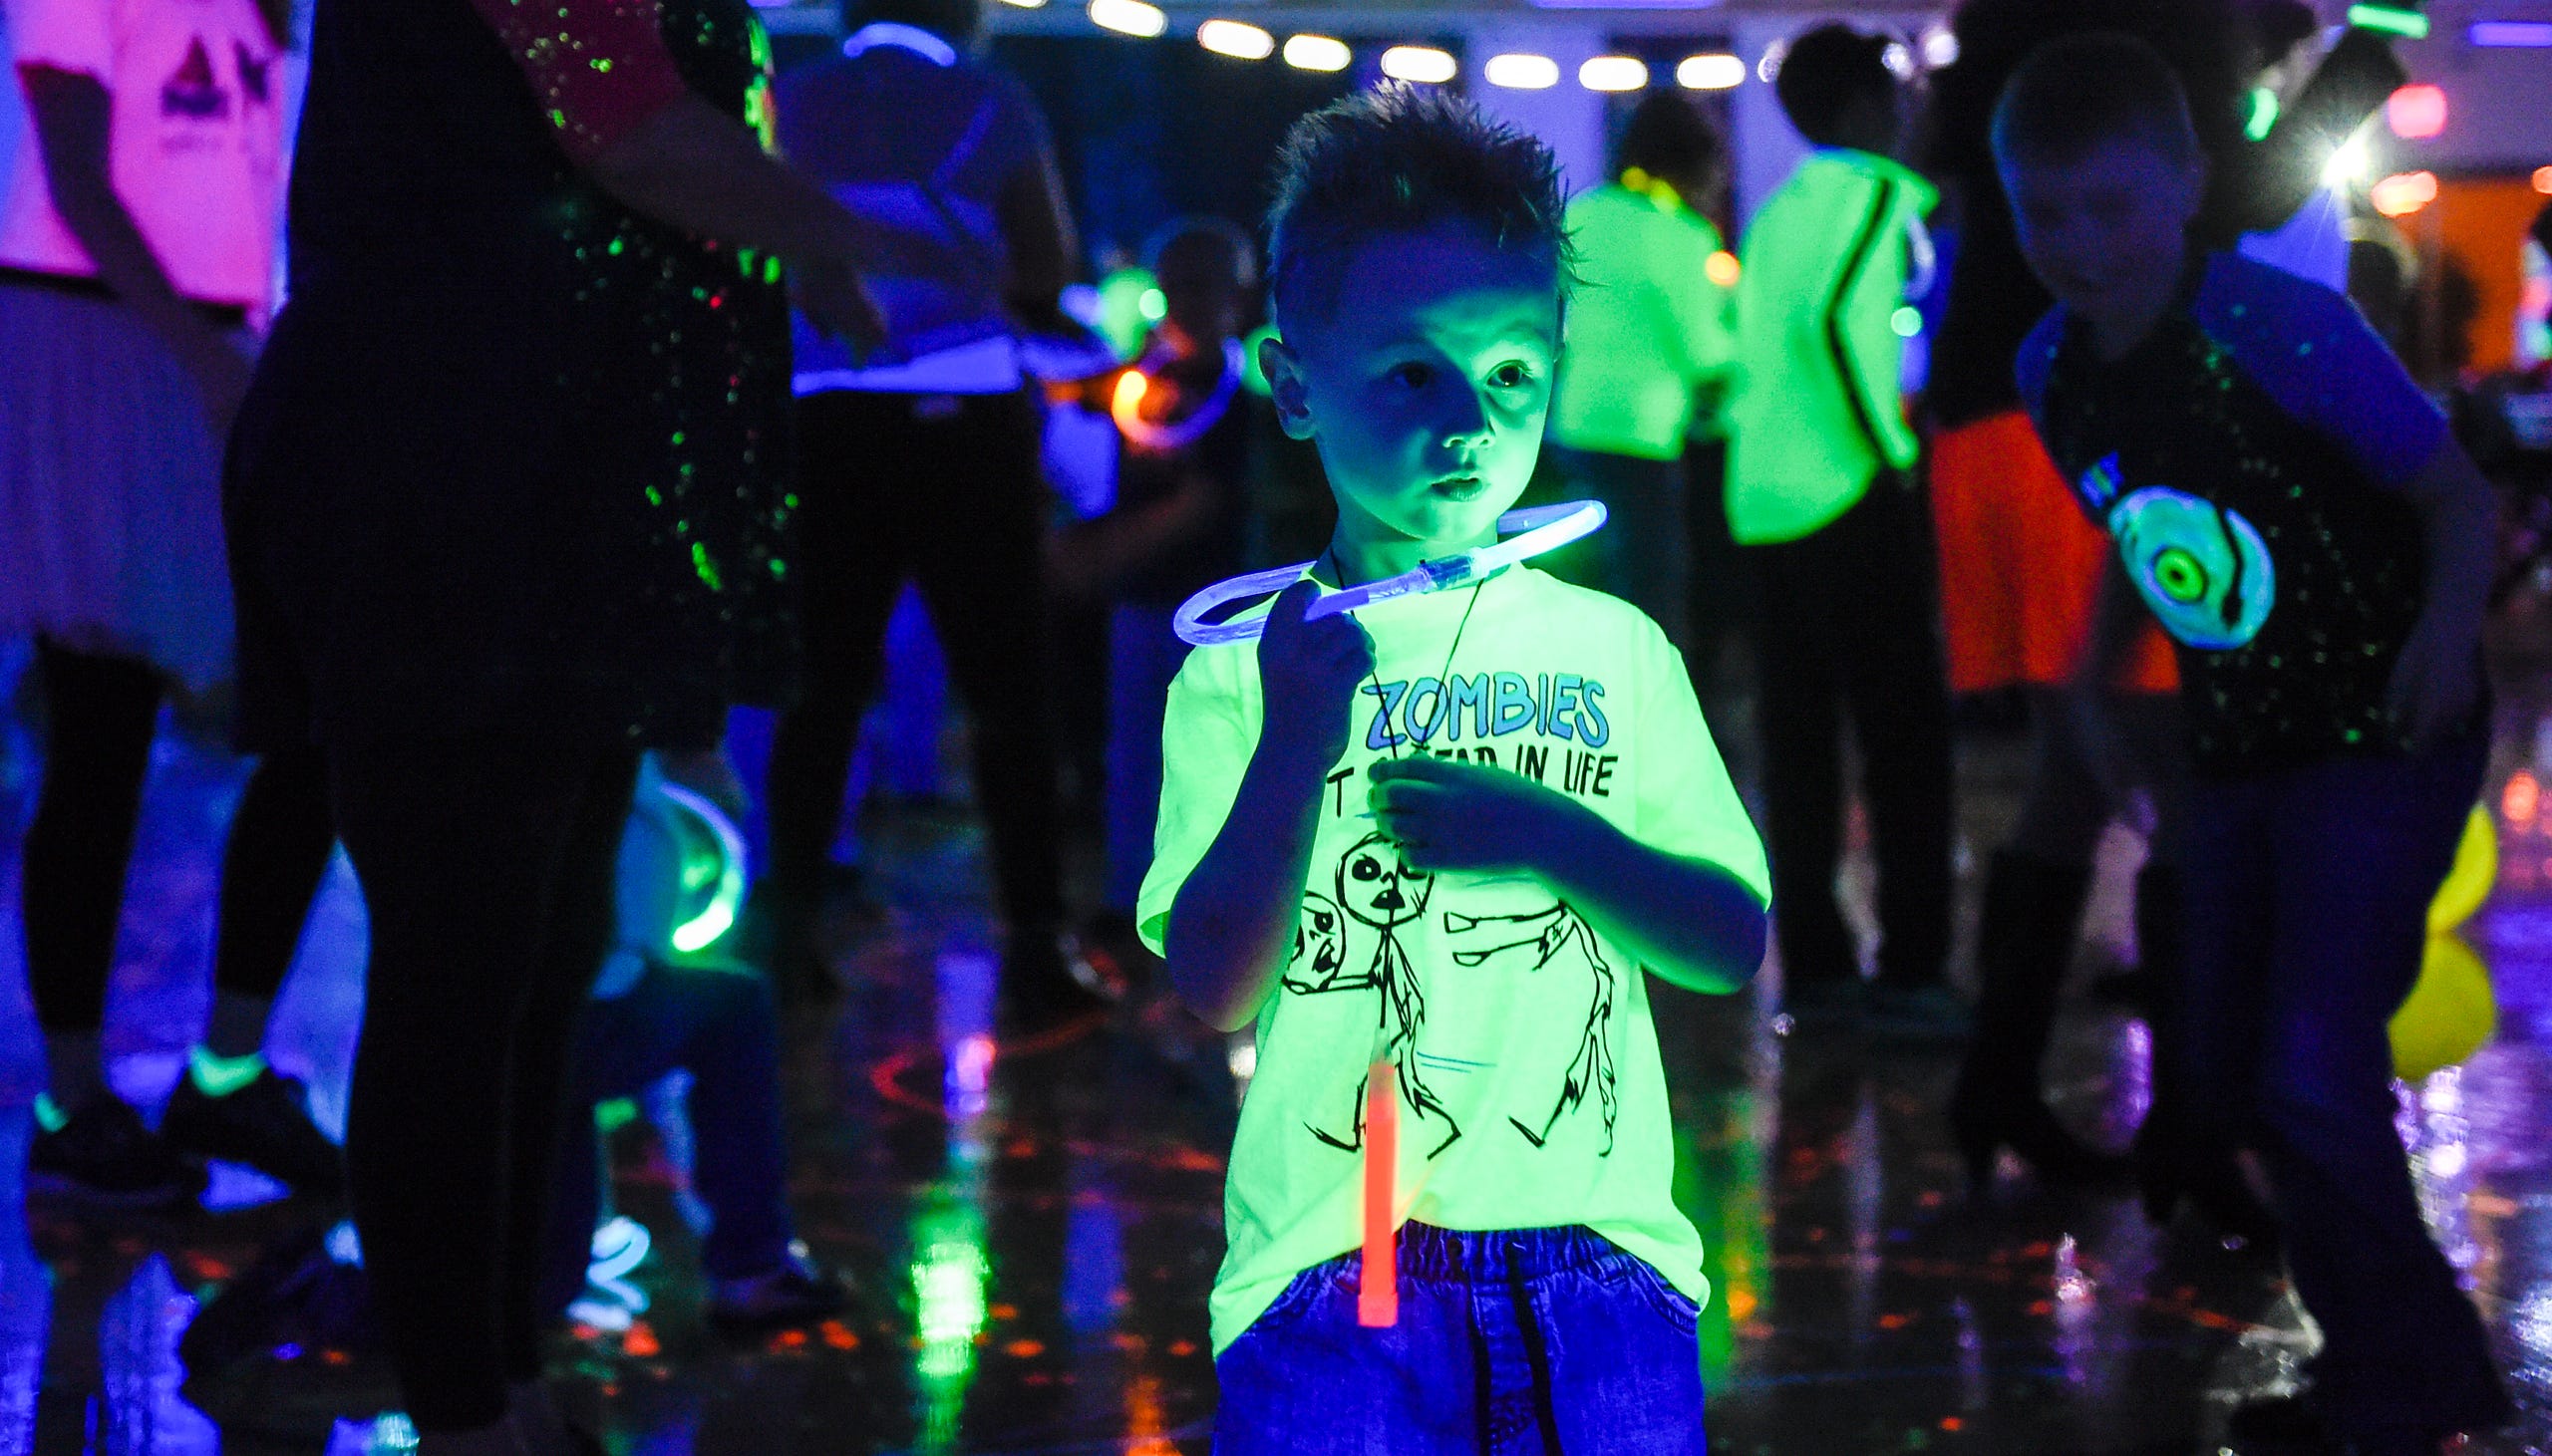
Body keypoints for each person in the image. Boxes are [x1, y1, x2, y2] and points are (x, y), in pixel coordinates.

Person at [221, 0, 893, 1446]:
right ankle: (466, 1405)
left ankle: (506, 1376)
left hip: (565, 480)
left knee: (541, 967)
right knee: (466, 972)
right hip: (450, 483)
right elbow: (632, 127)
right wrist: (858, 234)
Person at [1140, 86, 1770, 1452]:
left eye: (1509, 375)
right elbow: (1211, 984)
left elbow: (1728, 941)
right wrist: (1298, 736)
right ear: (1295, 380)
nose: (1467, 424)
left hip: (1598, 1268)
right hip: (1331, 1273)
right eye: (1410, 371)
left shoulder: (1616, 648)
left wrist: (1554, 838)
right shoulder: (1238, 673)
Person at [1999, 35, 2511, 1453]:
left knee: (2305, 1062)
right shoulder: (2054, 366)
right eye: (2049, 215)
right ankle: (2380, 1369)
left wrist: (2440, 642)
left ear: (2181, 187)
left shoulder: (2275, 326)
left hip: (2382, 730)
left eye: (2112, 208)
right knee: (2226, 1071)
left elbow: (2459, 499)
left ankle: (2419, 1378)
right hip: (2237, 744)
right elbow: (2143, 526)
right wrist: (2100, 686)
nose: (2082, 246)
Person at [1922, 0, 2413, 1209]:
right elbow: (2233, 192)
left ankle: (2002, 1089)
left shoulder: (1997, 31)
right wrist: (2369, 49)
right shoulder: (2163, 24)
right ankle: (2194, 1133)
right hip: (2078, 411)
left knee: (2069, 775)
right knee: (2178, 769)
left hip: (1985, 419)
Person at [1, 0, 345, 1207]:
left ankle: (210, 1069)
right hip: (101, 342)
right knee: (105, 734)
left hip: (209, 344)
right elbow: (76, 172)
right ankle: (82, 1099)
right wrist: (197, 354)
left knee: (304, 718)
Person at [762, 0, 1097, 1027]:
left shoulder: (793, 99)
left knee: (820, 691)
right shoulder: (990, 103)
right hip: (964, 419)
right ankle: (1035, 944)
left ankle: (788, 937)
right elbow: (1046, 265)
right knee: (1006, 693)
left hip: (825, 418)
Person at [1726, 24, 1958, 1036]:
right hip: (1848, 497)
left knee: (1799, 746)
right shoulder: (1872, 196)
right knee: (1904, 741)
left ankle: (1817, 972)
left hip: (1765, 503)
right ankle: (1911, 972)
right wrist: (1895, 460)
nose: (1910, 119)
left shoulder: (1781, 208)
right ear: (1867, 111)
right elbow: (1833, 327)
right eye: (1897, 100)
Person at [1049, 216, 1258, 978]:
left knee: (1214, 753)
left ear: (1237, 294)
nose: (1188, 301)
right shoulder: (1143, 382)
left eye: (1204, 285)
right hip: (1140, 602)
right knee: (1134, 756)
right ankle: (1129, 898)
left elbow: (1206, 503)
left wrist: (1092, 554)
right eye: (1177, 284)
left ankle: (1209, 899)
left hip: (1219, 610)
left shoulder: (1240, 389)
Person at [1542, 90, 1738, 656]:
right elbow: (1704, 352)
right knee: (1652, 591)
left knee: (1583, 580)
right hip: (1644, 436)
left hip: (1574, 425)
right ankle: (1648, 715)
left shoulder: (1583, 213)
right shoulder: (1683, 235)